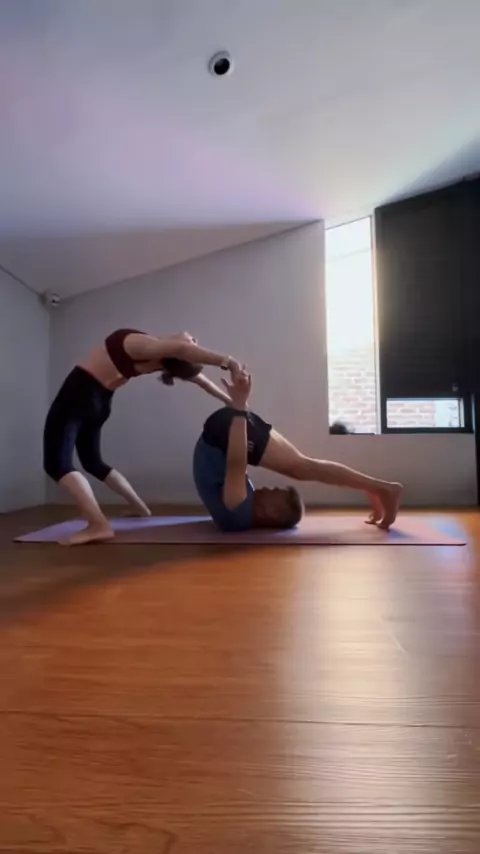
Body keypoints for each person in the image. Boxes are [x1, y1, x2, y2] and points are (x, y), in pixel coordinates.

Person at [44, 328, 241, 545]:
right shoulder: (163, 360)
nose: (194, 339)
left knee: (57, 464)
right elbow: (205, 383)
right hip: (99, 403)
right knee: (92, 462)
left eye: (193, 343)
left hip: (77, 394)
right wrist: (234, 402)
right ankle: (139, 507)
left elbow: (184, 350)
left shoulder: (140, 345)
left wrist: (229, 362)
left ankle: (98, 525)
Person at [193, 367, 403, 532]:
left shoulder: (237, 511)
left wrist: (239, 409)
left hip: (223, 435)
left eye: (276, 492)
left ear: (270, 513)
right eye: (276, 490)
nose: (269, 488)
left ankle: (381, 488)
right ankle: (377, 488)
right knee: (302, 467)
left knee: (302, 467)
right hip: (223, 435)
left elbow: (236, 464)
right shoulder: (240, 514)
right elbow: (235, 464)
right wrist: (238, 407)